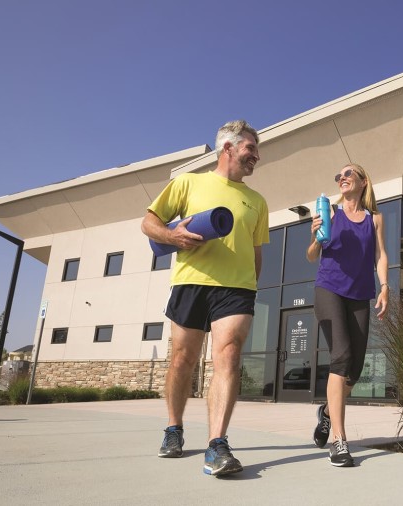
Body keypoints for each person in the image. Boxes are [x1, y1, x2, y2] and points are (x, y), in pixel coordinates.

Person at [141, 120, 269, 477]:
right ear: (228, 148)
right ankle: (173, 429)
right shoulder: (187, 182)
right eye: (250, 149)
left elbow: (257, 252)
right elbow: (148, 223)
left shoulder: (257, 201)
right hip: (191, 282)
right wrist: (172, 236)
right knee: (183, 359)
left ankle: (217, 445)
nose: (256, 156)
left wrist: (251, 287)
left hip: (237, 288)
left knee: (227, 355)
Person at [306, 163, 389, 467]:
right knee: (340, 357)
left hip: (360, 294)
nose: (342, 178)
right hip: (328, 288)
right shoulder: (330, 214)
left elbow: (380, 254)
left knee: (354, 369)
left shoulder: (375, 219)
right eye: (338, 176)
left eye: (348, 174)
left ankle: (327, 412)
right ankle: (339, 441)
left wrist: (385, 287)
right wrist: (316, 237)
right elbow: (312, 255)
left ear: (363, 181)